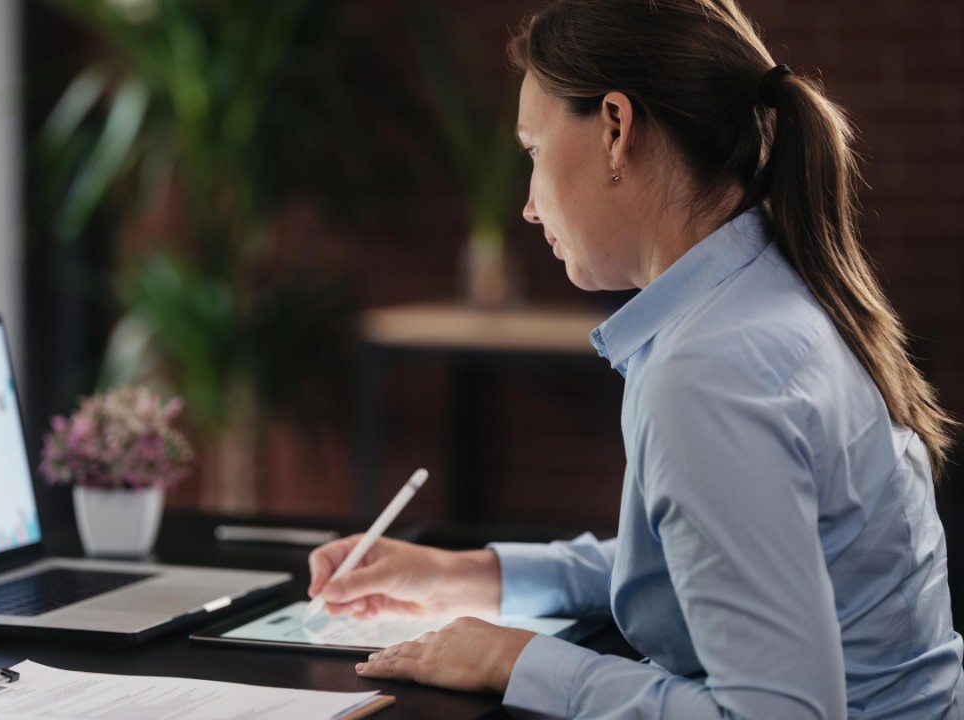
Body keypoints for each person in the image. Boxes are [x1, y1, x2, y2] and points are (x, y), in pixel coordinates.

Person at [307, 0, 964, 716]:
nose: (528, 206)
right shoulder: (768, 295)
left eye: (533, 149)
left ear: (616, 128)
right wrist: (469, 574)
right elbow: (722, 562)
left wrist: (517, 659)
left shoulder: (710, 372)